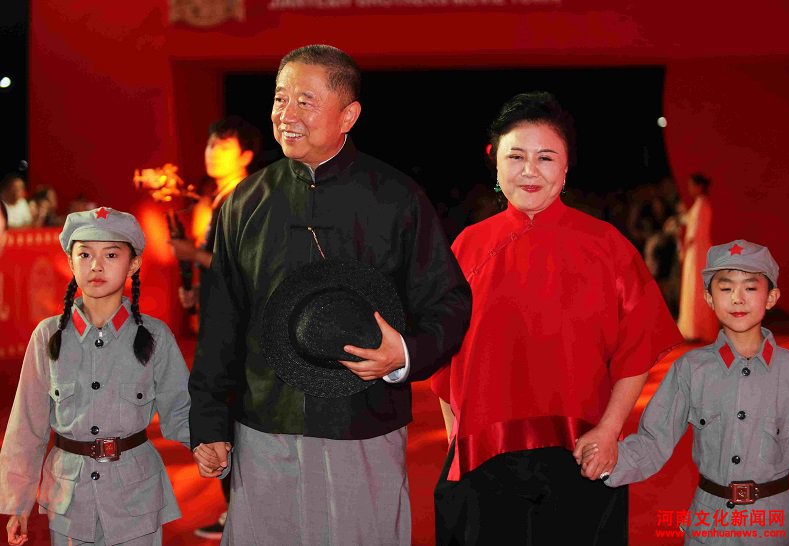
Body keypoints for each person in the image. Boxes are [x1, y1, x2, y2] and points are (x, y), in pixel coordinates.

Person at [188, 44, 471, 544]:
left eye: (305, 101)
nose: (286, 114)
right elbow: (220, 323)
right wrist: (209, 421)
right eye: (280, 99)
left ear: (348, 116)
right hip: (263, 425)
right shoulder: (244, 204)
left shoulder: (396, 198)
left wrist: (403, 355)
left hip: (363, 422)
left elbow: (448, 301)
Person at [430, 91, 682, 545]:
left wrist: (609, 431)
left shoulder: (606, 246)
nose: (530, 170)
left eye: (546, 157)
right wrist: (456, 439)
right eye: (516, 157)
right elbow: (444, 354)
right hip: (483, 458)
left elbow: (638, 345)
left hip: (582, 453)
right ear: (496, 164)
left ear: (566, 169)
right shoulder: (467, 247)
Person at [584, 239, 789, 545]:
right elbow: (653, 440)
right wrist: (607, 462)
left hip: (775, 524)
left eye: (751, 288)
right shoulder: (691, 369)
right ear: (709, 298)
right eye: (725, 288)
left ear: (771, 296)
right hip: (709, 523)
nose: (737, 299)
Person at [0, 207, 192, 545]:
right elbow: (27, 426)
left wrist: (212, 447)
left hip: (137, 498)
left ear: (133, 264)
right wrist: (18, 502)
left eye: (111, 254)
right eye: (85, 254)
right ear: (70, 263)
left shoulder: (155, 337)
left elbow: (181, 412)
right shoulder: (48, 337)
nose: (96, 265)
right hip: (69, 500)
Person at [168, 115, 261, 540]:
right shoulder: (221, 196)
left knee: (232, 414)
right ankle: (236, 509)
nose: (212, 153)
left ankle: (245, 512)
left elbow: (243, 266)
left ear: (245, 155)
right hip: (222, 320)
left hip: (240, 330)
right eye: (209, 145)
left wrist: (192, 255)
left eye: (223, 146)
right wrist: (196, 289)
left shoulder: (247, 197)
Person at [677, 172, 716, 342]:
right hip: (696, 250)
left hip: (697, 251)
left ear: (699, 186)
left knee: (696, 286)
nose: (690, 189)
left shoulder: (702, 205)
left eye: (692, 185)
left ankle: (697, 329)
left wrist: (684, 247)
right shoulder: (699, 205)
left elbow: (694, 233)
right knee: (694, 287)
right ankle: (694, 328)